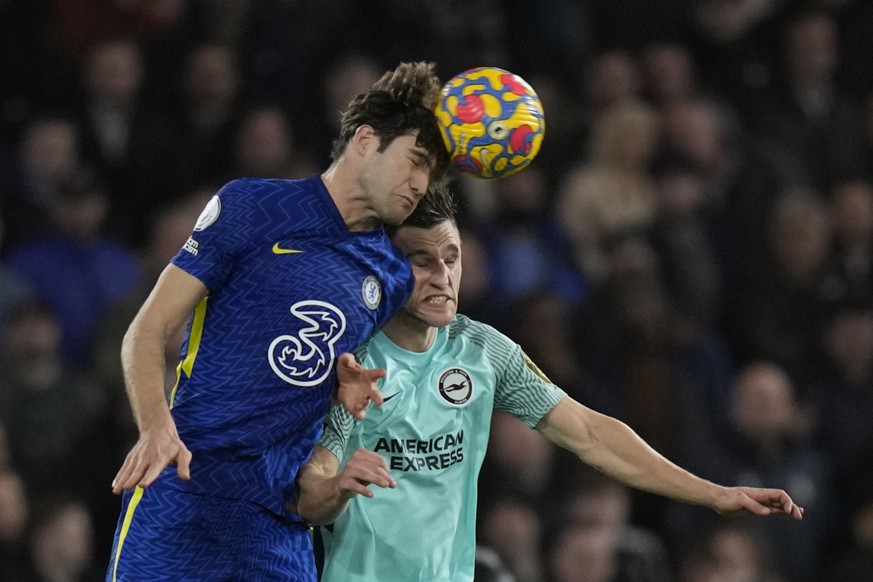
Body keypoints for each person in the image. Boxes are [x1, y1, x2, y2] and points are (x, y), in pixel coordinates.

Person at [296, 185, 804, 582]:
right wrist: (338, 488)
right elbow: (308, 495)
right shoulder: (352, 360)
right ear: (386, 268)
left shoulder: (483, 351)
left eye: (451, 257)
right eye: (421, 260)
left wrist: (713, 493)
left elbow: (591, 433)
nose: (442, 275)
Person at [105, 61, 450, 581]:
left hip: (276, 522)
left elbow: (351, 361)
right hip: (184, 486)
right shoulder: (252, 206)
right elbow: (147, 332)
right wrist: (155, 427)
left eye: (431, 175)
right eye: (415, 161)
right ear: (364, 139)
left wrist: (345, 379)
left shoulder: (391, 277)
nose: (421, 184)